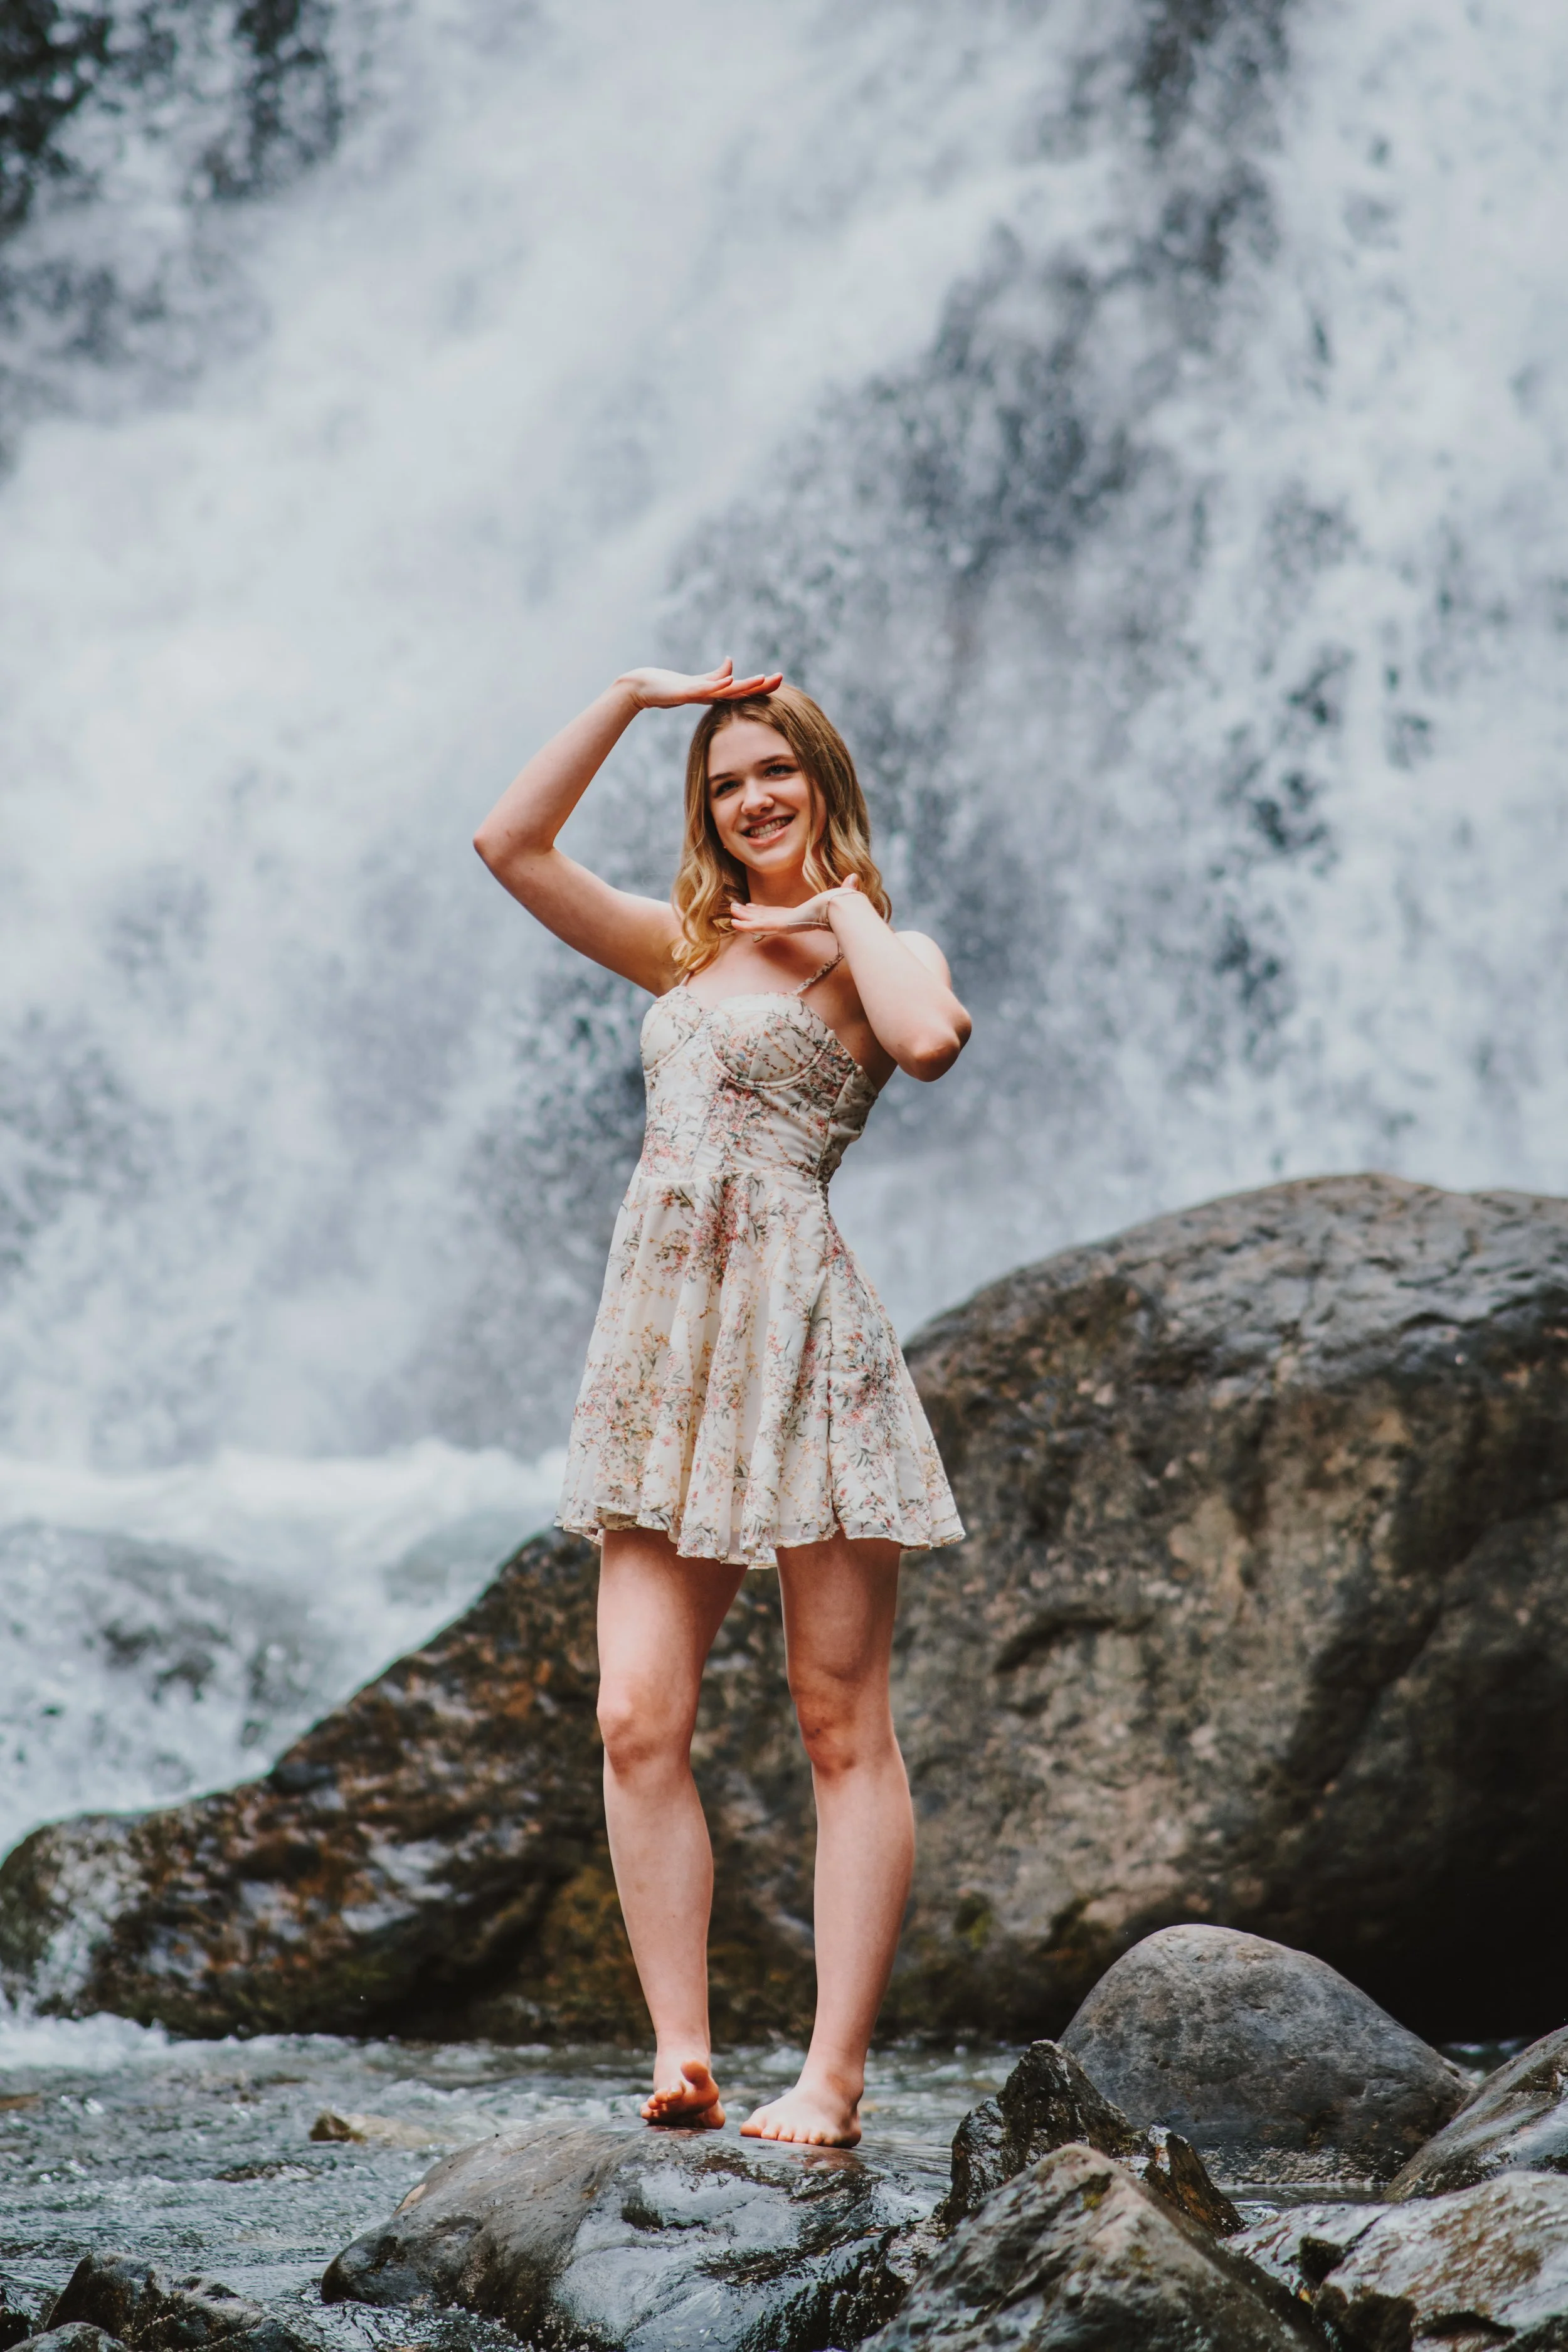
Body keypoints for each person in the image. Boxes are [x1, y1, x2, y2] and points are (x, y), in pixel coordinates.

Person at [474, 660, 970, 2146]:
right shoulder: (681, 949)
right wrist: (631, 700)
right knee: (634, 1717)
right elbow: (510, 846)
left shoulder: (878, 953)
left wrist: (839, 909)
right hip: (665, 1354)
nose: (751, 799)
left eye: (774, 771)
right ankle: (682, 2055)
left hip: (805, 1343)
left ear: (821, 781)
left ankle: (829, 2080)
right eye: (725, 783)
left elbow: (927, 1040)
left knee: (838, 1722)